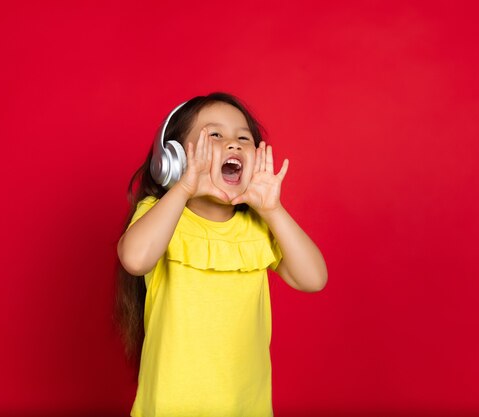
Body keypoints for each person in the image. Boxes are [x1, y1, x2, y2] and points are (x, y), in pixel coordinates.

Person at [115, 92, 327, 417]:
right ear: (174, 158)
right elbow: (135, 258)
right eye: (215, 135)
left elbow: (314, 279)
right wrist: (183, 188)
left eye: (244, 138)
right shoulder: (162, 215)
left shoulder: (258, 226)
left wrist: (273, 210)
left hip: (246, 407)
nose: (233, 144)